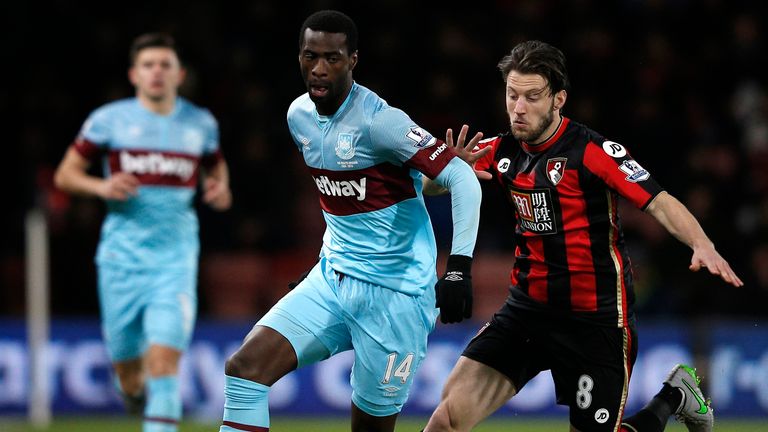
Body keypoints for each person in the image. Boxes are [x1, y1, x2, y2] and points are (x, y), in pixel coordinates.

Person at [422, 40, 743, 432]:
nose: (518, 108)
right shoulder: (500, 149)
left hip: (596, 320)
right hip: (527, 310)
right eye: (512, 95)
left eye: (532, 97)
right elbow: (429, 184)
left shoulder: (592, 151)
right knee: (446, 420)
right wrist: (448, 171)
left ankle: (673, 396)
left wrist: (701, 243)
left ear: (559, 99)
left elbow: (658, 200)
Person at [218, 10, 482, 432]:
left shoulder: (381, 122)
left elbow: (463, 179)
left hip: (395, 297)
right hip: (332, 280)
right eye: (310, 56)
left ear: (353, 60)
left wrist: (458, 270)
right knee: (245, 369)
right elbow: (373, 190)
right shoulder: (298, 116)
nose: (319, 69)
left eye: (332, 58)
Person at [54, 32, 231, 432]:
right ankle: (134, 395)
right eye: (148, 65)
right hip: (121, 261)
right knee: (131, 375)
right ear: (134, 75)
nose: (157, 72)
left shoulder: (200, 124)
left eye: (165, 65)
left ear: (179, 74)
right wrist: (102, 187)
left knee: (164, 363)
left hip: (175, 260)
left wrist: (221, 187)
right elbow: (65, 175)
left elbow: (216, 166)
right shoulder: (108, 121)